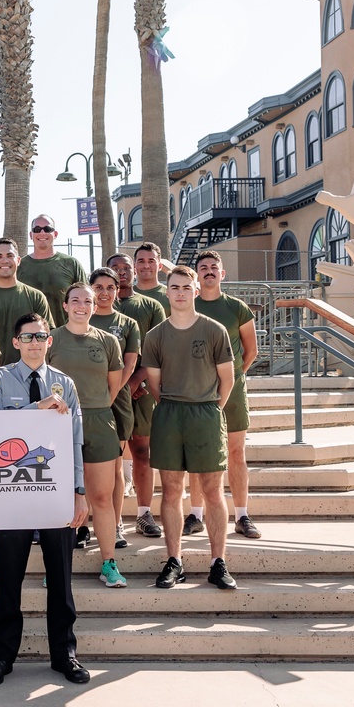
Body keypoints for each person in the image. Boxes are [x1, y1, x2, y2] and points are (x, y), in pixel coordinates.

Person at [0, 313, 89, 687]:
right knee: (9, 580)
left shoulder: (64, 383)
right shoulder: (1, 378)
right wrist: (36, 408)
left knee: (61, 580)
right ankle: (1, 657)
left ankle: (65, 654)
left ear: (49, 341)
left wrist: (79, 493)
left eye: (41, 336)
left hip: (54, 492)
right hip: (12, 492)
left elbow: (75, 438)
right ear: (16, 342)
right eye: (27, 337)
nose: (34, 343)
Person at [141, 266, 238, 591]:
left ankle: (217, 562)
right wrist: (175, 406)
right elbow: (154, 385)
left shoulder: (214, 330)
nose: (180, 292)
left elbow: (227, 379)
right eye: (175, 287)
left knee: (213, 491)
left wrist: (210, 409)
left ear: (195, 291)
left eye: (186, 287)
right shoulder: (155, 336)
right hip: (170, 414)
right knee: (171, 490)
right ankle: (175, 561)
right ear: (167, 292)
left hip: (206, 413)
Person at [47, 283, 126, 587]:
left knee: (102, 497)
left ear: (95, 307)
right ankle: (57, 569)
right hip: (58, 422)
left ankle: (109, 563)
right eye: (76, 300)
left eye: (87, 301)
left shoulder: (108, 341)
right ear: (65, 305)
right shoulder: (51, 339)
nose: (82, 306)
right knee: (62, 498)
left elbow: (113, 386)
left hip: (99, 420)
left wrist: (92, 409)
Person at [188, 251, 260, 538]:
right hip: (196, 391)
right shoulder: (188, 306)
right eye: (203, 267)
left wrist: (232, 378)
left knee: (236, 451)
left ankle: (242, 516)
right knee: (198, 453)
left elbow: (250, 350)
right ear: (197, 274)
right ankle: (195, 515)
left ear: (222, 273)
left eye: (213, 267)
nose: (209, 271)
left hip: (232, 390)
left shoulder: (236, 307)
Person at [109, 253, 166, 539]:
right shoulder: (97, 307)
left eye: (125, 268)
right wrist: (116, 387)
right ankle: (113, 518)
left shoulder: (151, 306)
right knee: (112, 456)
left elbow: (159, 348)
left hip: (141, 389)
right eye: (114, 268)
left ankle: (144, 513)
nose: (121, 272)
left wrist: (136, 381)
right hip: (107, 393)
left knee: (142, 452)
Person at [87, 267, 139, 550]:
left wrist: (110, 395)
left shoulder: (128, 324)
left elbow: (129, 364)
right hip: (85, 402)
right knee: (83, 465)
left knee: (115, 466)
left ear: (118, 291)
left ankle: (115, 524)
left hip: (116, 401)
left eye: (110, 287)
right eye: (98, 287)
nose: (104, 293)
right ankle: (82, 525)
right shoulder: (80, 317)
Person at [0, 237, 52, 365]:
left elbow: (46, 339)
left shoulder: (36, 297)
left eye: (10, 255)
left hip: (28, 372)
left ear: (18, 260)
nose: (5, 260)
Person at [18, 214, 87, 328]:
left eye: (47, 229)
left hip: (65, 333)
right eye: (37, 229)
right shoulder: (19, 266)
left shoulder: (71, 264)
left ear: (55, 234)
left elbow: (86, 299)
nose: (42, 233)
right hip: (29, 336)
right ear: (31, 235)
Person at [134, 242, 171, 316]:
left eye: (151, 261)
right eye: (141, 261)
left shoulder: (170, 295)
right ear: (134, 266)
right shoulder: (125, 295)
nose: (146, 266)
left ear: (160, 266)